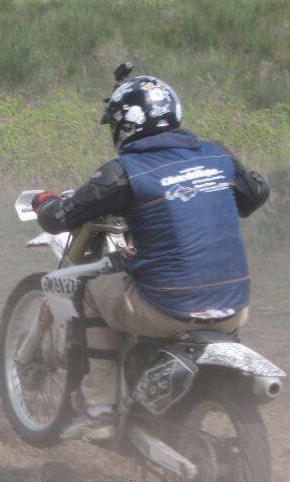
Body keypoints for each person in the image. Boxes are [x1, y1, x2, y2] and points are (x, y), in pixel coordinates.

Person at [31, 74, 269, 441]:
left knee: (92, 292)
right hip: (233, 308)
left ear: (126, 125)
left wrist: (45, 201)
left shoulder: (124, 172)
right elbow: (254, 196)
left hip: (167, 308)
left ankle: (100, 408)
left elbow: (59, 219)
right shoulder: (218, 155)